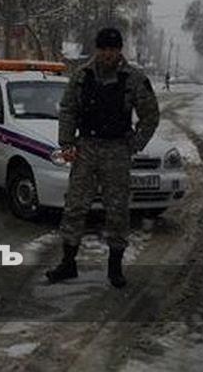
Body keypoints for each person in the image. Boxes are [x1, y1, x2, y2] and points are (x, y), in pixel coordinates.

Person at [46, 28, 160, 288]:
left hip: (116, 150)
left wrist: (135, 143)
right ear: (97, 49)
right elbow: (68, 109)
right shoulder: (81, 76)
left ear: (119, 50)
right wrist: (66, 142)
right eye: (103, 49)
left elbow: (150, 115)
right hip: (86, 148)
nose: (108, 54)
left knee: (117, 210)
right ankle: (68, 263)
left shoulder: (133, 78)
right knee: (75, 206)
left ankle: (115, 268)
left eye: (113, 49)